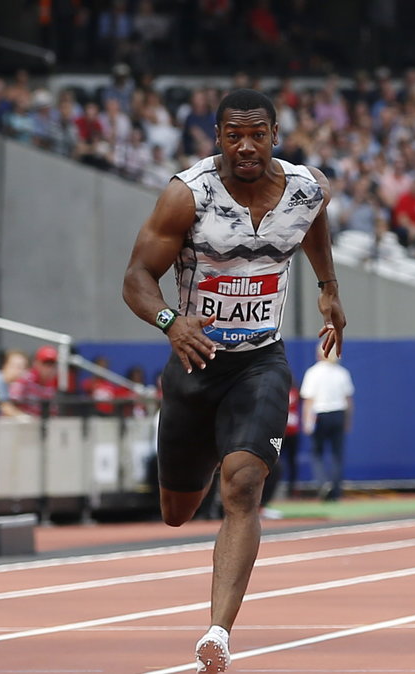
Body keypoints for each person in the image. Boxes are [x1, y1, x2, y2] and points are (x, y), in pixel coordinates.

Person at [122, 88, 345, 673]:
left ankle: (217, 634)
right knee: (177, 509)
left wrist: (328, 288)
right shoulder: (186, 195)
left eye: (257, 135)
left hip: (260, 363)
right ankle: (190, 483)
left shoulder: (306, 186)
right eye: (233, 136)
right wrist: (172, 322)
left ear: (275, 134)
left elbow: (313, 223)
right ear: (217, 137)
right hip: (195, 365)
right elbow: (137, 277)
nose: (245, 147)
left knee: (243, 487)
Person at [300, 347, 354, 502]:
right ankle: (335, 490)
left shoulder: (313, 373)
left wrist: (307, 422)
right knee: (337, 454)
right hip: (338, 413)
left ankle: (323, 483)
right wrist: (348, 420)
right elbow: (348, 400)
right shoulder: (342, 373)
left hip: (320, 414)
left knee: (317, 453)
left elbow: (309, 400)